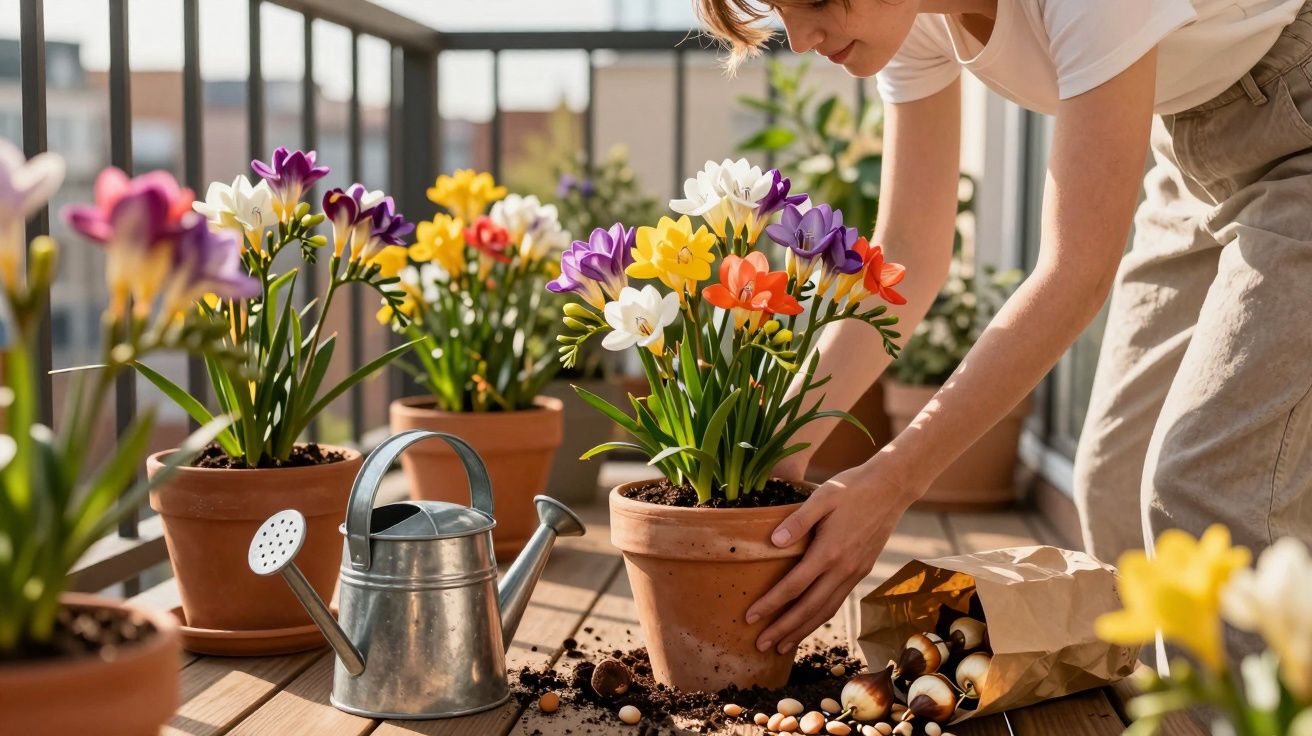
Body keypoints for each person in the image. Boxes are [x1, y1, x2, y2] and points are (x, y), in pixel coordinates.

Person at [695, 0, 1312, 658]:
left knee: (1206, 486)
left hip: (1297, 131)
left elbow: (1075, 272)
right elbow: (908, 250)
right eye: (779, 8)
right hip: (1188, 146)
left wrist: (893, 481)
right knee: (1112, 479)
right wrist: (777, 453)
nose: (800, 38)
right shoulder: (909, 17)